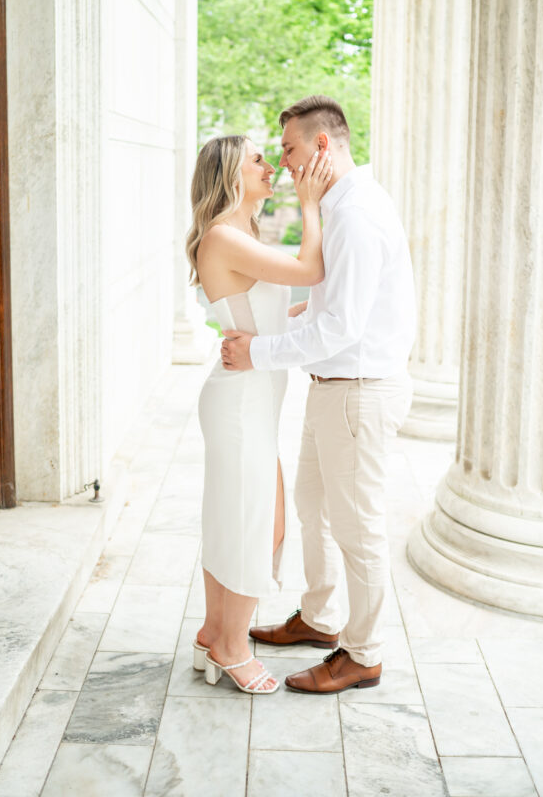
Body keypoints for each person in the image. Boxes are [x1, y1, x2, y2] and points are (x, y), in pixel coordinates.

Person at [220, 95, 416, 694]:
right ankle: (321, 618)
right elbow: (336, 305)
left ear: (322, 146)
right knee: (313, 506)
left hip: (358, 393)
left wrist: (258, 350)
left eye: (289, 147)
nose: (282, 160)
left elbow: (342, 328)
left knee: (358, 529)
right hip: (333, 387)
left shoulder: (355, 215)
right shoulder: (345, 206)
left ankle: (363, 653)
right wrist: (290, 316)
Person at [186, 134, 332, 695]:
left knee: (239, 517)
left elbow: (272, 302)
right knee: (255, 523)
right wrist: (311, 204)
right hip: (240, 401)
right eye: (258, 160)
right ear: (230, 175)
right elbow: (309, 268)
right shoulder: (224, 236)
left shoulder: (241, 234)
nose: (271, 167)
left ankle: (211, 631)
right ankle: (230, 644)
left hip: (252, 399)